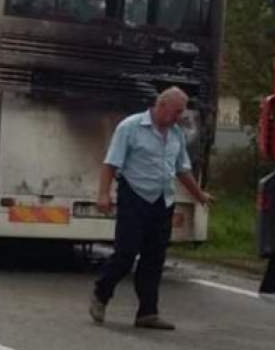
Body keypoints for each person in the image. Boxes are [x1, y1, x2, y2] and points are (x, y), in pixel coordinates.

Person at [89, 87, 214, 330]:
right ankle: (101, 294)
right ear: (161, 105)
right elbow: (111, 164)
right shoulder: (131, 127)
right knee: (125, 254)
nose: (179, 116)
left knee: (154, 258)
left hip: (162, 200)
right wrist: (103, 194)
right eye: (177, 111)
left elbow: (182, 169)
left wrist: (199, 194)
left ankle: (147, 312)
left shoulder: (176, 134)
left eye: (181, 112)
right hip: (135, 195)